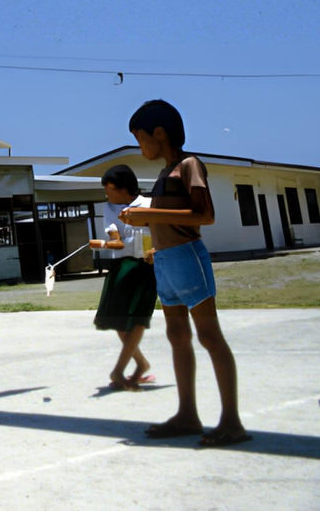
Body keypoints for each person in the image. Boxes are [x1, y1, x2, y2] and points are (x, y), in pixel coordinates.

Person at [119, 99, 250, 447]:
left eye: (140, 137)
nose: (140, 145)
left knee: (209, 335)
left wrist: (150, 217)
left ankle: (231, 421)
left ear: (158, 133)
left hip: (188, 258)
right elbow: (174, 217)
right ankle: (188, 413)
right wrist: (153, 237)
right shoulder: (165, 173)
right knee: (177, 334)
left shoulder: (189, 165)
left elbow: (204, 215)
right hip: (166, 260)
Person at [88, 164, 156, 390]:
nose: (107, 195)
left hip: (146, 266)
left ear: (124, 188)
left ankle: (119, 371)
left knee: (137, 317)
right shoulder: (109, 208)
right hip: (120, 266)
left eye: (110, 190)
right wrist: (104, 244)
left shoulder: (148, 204)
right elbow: (115, 240)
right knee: (116, 318)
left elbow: (160, 233)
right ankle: (141, 363)